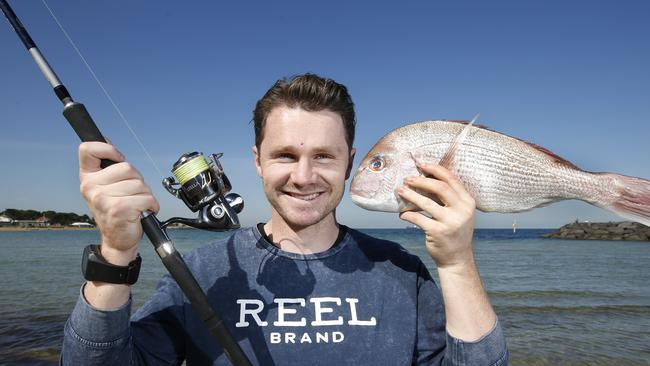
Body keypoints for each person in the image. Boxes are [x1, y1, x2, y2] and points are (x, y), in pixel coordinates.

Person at [62, 73, 508, 365]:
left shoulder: (403, 272)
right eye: (285, 155)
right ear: (257, 160)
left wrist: (456, 261)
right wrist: (115, 256)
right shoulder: (199, 273)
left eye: (323, 156)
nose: (304, 176)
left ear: (349, 162)